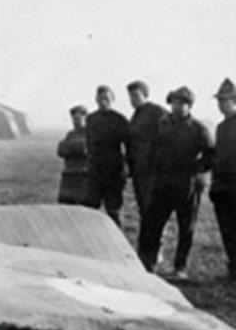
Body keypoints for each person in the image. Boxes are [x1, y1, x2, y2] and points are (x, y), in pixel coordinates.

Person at [137, 86, 214, 280]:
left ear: (190, 106)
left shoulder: (198, 128)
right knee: (153, 224)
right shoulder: (162, 125)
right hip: (162, 182)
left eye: (183, 103)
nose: (178, 107)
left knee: (186, 227)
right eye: (175, 103)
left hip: (187, 184)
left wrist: (196, 169)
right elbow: (152, 150)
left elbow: (211, 154)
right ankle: (148, 265)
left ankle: (180, 267)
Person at [84, 85, 130, 225]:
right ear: (96, 99)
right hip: (95, 171)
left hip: (113, 171)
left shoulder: (119, 119)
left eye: (106, 98)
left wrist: (125, 169)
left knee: (114, 210)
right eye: (100, 98)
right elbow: (89, 143)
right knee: (90, 209)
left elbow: (128, 145)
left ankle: (117, 242)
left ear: (112, 100)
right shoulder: (91, 119)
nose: (103, 102)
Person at [126, 80, 167, 218]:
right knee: (143, 207)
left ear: (145, 95)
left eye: (136, 96)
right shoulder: (136, 115)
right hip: (139, 169)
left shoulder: (157, 112)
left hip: (153, 170)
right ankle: (146, 238)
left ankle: (157, 238)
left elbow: (167, 137)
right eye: (130, 96)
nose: (133, 99)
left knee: (154, 208)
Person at [210, 78, 236, 280]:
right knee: (227, 230)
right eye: (219, 101)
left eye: (225, 101)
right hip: (222, 187)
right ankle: (233, 268)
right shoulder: (220, 127)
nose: (221, 105)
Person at [56, 105, 91, 205]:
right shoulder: (70, 134)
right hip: (69, 177)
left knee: (84, 209)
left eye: (78, 119)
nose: (75, 122)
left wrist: (70, 148)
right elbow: (60, 150)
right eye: (73, 119)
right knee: (66, 207)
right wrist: (75, 148)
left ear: (85, 118)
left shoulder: (90, 133)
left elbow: (84, 148)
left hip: (83, 178)